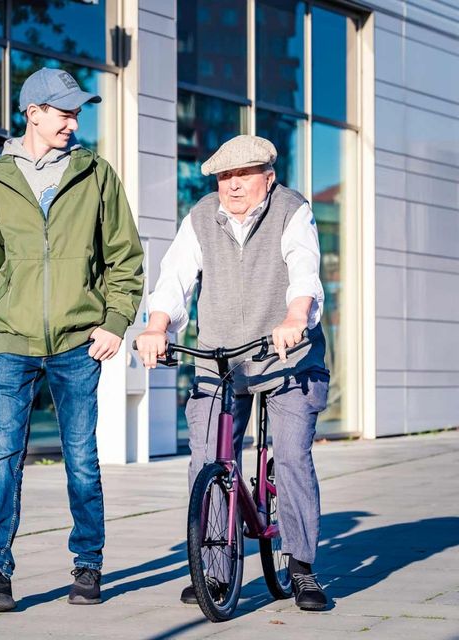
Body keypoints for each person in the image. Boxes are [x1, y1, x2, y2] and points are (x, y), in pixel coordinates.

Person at [0, 67, 145, 612]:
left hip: (77, 341)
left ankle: (88, 565)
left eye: (76, 112)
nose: (72, 121)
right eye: (63, 111)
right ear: (31, 112)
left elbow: (125, 258)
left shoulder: (95, 175)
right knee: (3, 455)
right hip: (12, 340)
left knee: (81, 455)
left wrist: (115, 321)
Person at [135, 135, 330, 611]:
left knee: (289, 454)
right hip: (221, 354)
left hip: (287, 354)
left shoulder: (291, 209)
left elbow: (304, 269)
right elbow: (175, 278)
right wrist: (156, 327)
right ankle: (214, 569)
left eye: (243, 175)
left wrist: (294, 318)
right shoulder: (202, 216)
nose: (233, 186)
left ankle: (301, 566)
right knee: (207, 458)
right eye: (224, 176)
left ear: (268, 177)